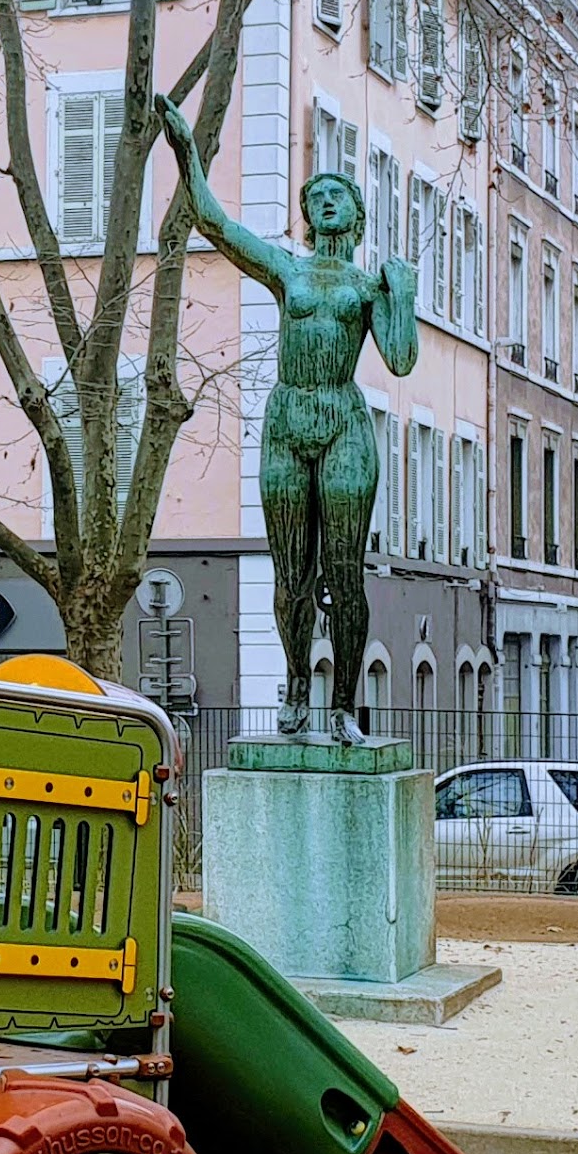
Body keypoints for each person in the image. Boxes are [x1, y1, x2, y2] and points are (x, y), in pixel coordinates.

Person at [154, 93, 416, 740]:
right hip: (288, 419)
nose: (325, 201)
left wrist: (402, 293)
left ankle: (344, 705)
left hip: (343, 421)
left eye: (338, 195)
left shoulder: (369, 285)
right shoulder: (288, 270)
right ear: (306, 218)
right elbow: (216, 225)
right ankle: (298, 684)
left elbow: (403, 359)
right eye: (316, 195)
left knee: (345, 575)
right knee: (291, 573)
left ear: (356, 215)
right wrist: (188, 153)